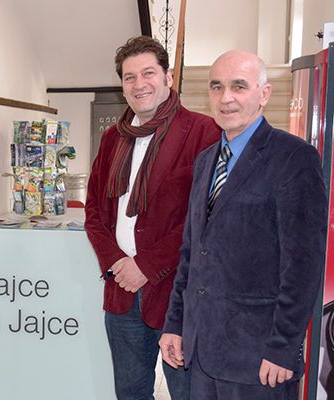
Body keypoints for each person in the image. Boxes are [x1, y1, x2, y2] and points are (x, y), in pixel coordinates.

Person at [159, 50, 327, 399]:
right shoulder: (206, 161)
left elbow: (303, 265)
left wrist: (283, 347)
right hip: (201, 354)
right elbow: (191, 253)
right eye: (217, 87)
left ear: (264, 94)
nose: (226, 98)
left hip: (259, 360)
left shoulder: (294, 158)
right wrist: (175, 324)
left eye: (239, 86)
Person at [84, 36, 220, 399]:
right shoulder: (112, 139)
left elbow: (205, 216)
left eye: (148, 73)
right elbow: (94, 211)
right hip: (122, 293)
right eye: (129, 77)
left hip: (180, 295)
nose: (139, 84)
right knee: (129, 393)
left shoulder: (204, 132)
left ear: (168, 77)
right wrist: (117, 263)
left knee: (190, 394)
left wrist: (146, 265)